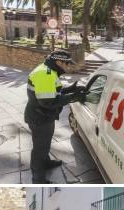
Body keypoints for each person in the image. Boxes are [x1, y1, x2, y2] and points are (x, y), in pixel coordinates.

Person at [24, 50, 87, 183]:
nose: (68, 67)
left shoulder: (49, 71)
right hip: (40, 117)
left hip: (42, 115)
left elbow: (53, 91)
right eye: (67, 64)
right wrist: (72, 97)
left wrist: (70, 89)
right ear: (58, 62)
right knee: (40, 148)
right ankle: (38, 179)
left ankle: (45, 163)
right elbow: (48, 101)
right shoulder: (45, 74)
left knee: (44, 144)